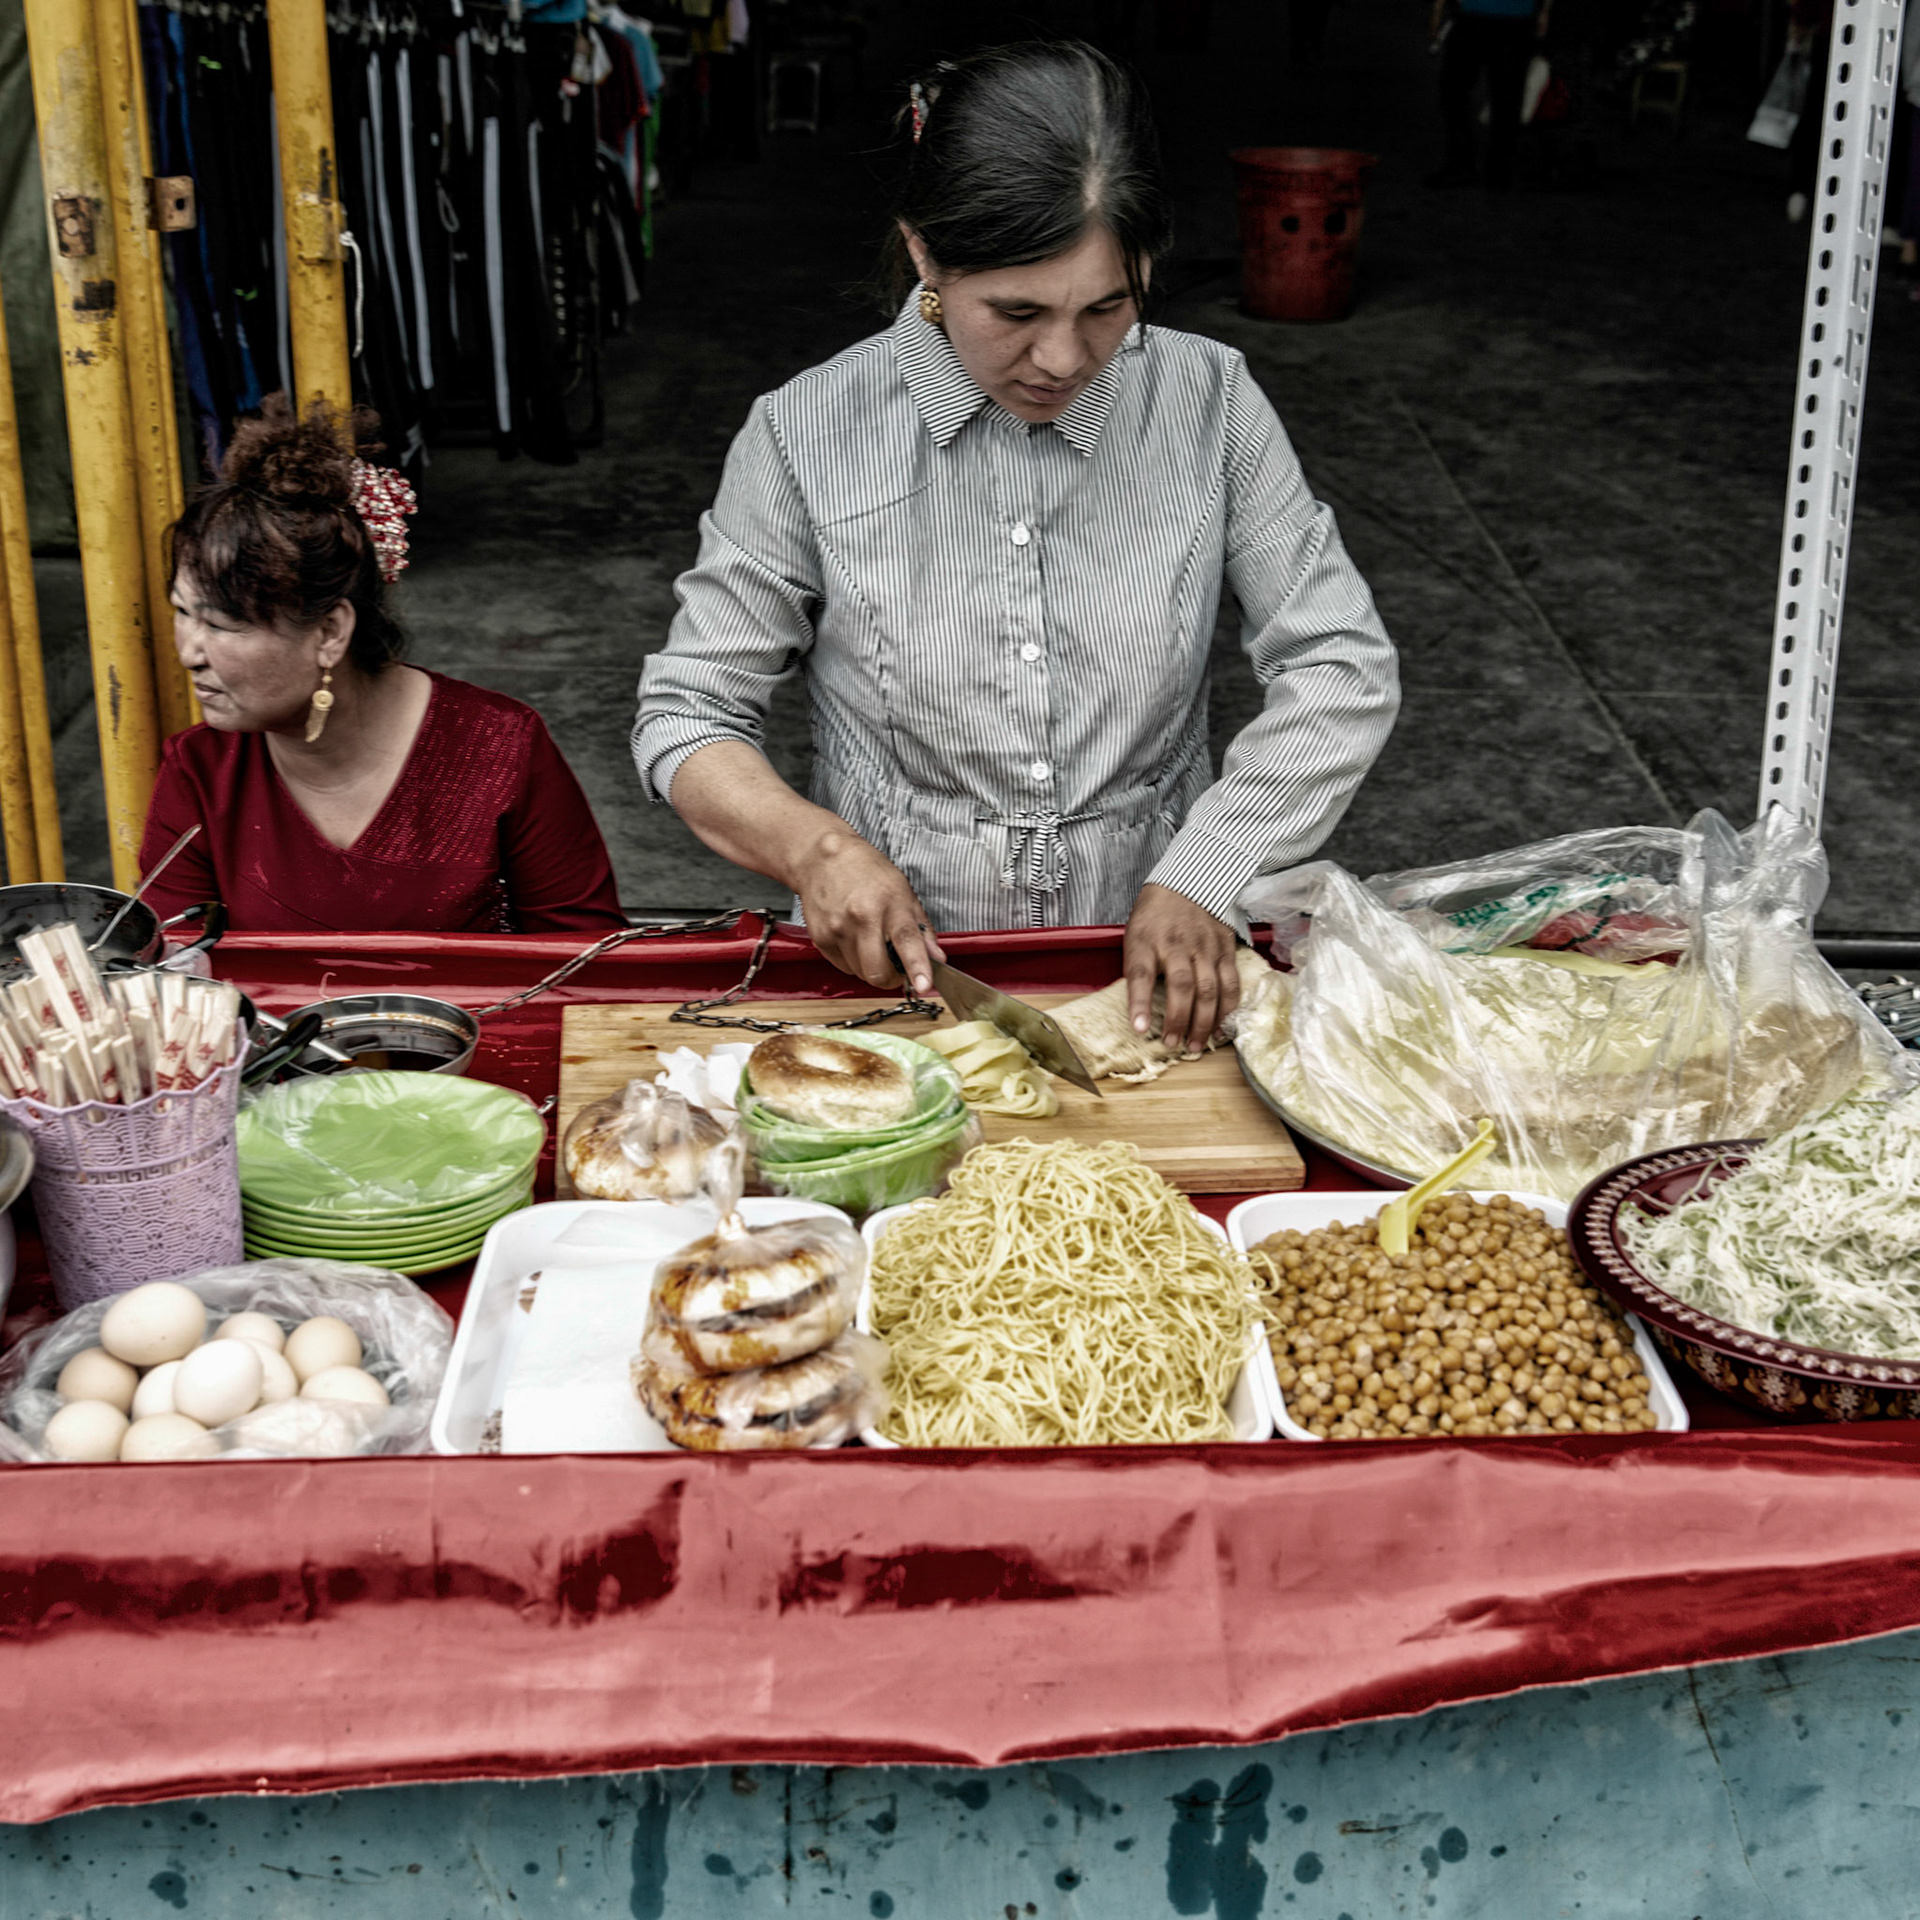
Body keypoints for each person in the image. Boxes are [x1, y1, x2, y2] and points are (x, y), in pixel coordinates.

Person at [634, 41, 1398, 1054]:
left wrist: (1205, 870)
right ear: (924, 257)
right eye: (1017, 312)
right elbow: (689, 709)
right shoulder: (805, 432)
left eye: (1109, 308)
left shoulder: (1209, 404)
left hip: (1156, 973)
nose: (1063, 359)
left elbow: (1339, 664)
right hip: (901, 985)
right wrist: (816, 851)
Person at [140, 397, 627, 934]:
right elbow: (174, 965)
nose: (189, 651)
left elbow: (585, 958)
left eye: (222, 624)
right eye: (183, 613)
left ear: (329, 633)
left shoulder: (501, 750)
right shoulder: (200, 772)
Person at [1428, 0, 1551, 190]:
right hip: (1508, 17)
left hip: (1486, 15)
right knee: (1504, 96)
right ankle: (1496, 169)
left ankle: (1471, 164)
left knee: (1459, 90)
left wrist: (1438, 10)